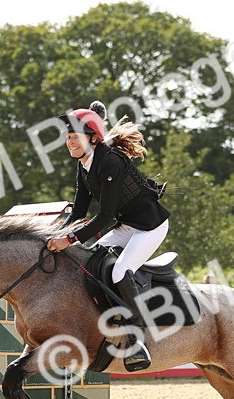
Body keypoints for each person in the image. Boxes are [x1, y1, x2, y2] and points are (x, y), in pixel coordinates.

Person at [45, 101, 170, 372]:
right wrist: (54, 233)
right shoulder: (83, 165)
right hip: (127, 226)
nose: (70, 143)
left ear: (92, 138)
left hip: (149, 226)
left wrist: (69, 240)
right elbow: (78, 210)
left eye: (75, 137)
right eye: (68, 138)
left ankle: (137, 340)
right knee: (89, 263)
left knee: (118, 272)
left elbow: (104, 217)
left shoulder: (110, 162)